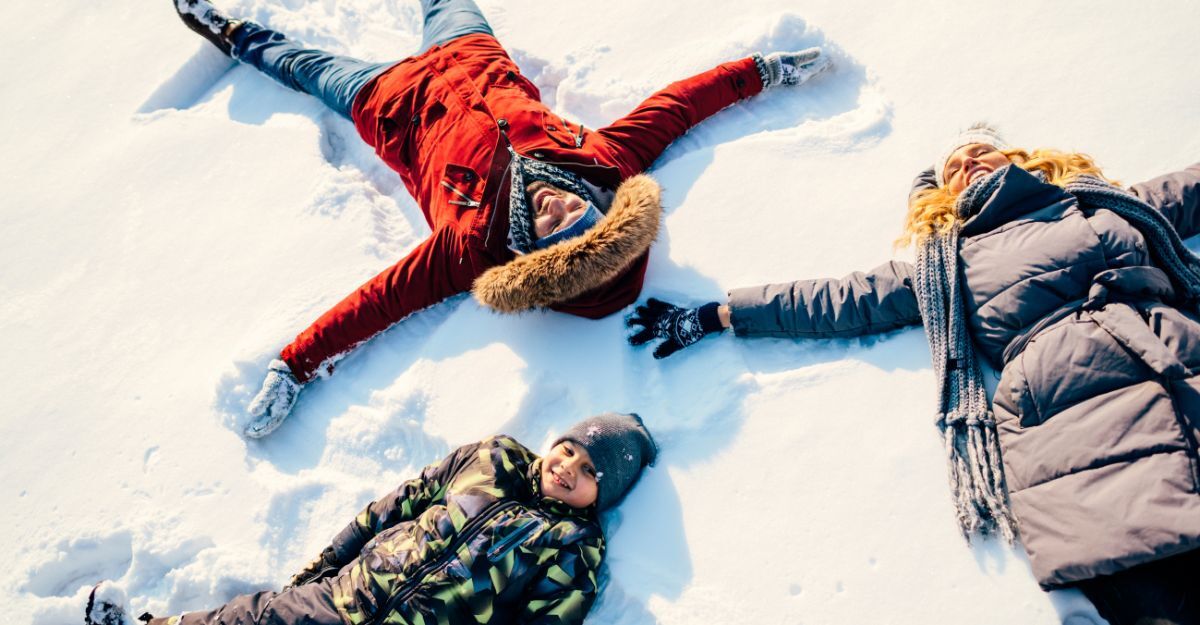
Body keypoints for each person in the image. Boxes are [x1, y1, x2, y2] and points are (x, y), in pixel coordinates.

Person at [170, 0, 832, 438]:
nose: (556, 205)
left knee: (298, 66)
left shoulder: (470, 252)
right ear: (600, 206)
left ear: (533, 255)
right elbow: (682, 104)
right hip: (471, 52)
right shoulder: (606, 163)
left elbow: (377, 302)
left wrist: (294, 365)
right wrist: (762, 71)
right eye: (576, 209)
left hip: (390, 103)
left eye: (553, 227)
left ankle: (232, 35)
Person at [627, 124, 1200, 624]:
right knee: (1152, 591)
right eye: (954, 166)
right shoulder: (946, 263)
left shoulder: (1103, 204)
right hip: (1064, 423)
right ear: (943, 194)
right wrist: (719, 315)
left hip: (1174, 358)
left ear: (1018, 158)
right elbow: (843, 300)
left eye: (980, 152)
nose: (968, 164)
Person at [84, 412, 658, 625]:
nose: (567, 468)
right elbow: (398, 504)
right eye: (568, 450)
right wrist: (326, 565)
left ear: (600, 496)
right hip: (349, 594)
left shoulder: (573, 547)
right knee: (246, 618)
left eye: (588, 471)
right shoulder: (495, 457)